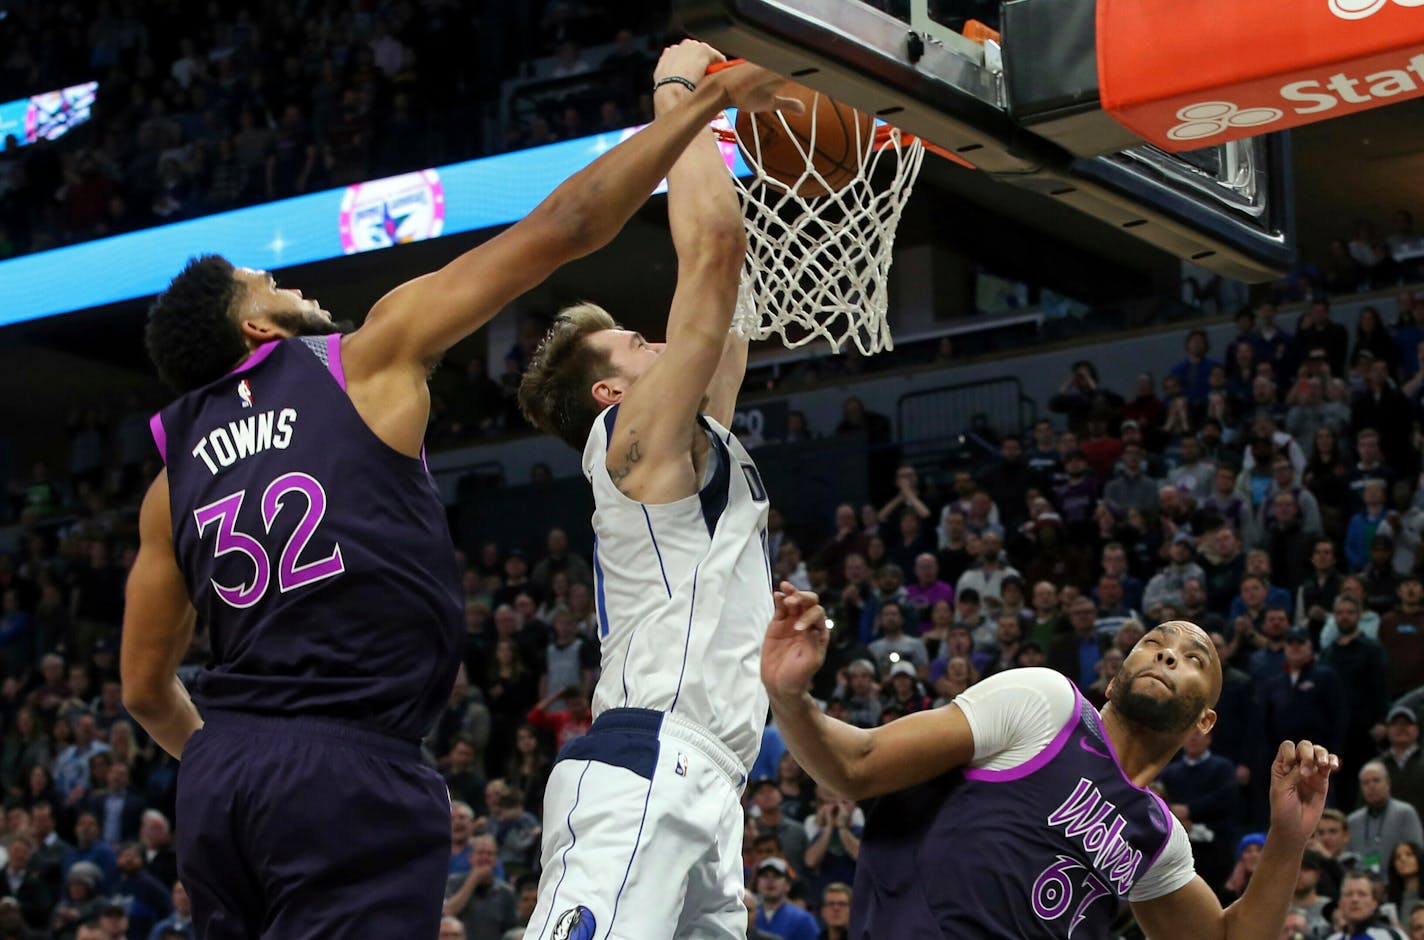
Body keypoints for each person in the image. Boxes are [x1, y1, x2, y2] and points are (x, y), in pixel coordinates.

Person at [120, 40, 796, 939]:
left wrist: (232, 757)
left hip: (221, 778)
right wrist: (685, 109)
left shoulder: (171, 480)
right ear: (255, 327)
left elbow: (142, 690)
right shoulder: (364, 358)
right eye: (273, 285)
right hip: (351, 763)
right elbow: (566, 228)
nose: (296, 289)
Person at [511, 44, 802, 940]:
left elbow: (729, 305)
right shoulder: (629, 444)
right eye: (637, 344)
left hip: (710, 789)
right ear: (609, 396)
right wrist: (685, 98)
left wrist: (742, 142)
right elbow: (713, 254)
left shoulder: (688, 438)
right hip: (647, 765)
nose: (658, 344)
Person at [761, 583, 1340, 939]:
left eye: (1195, 658)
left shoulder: (1160, 837)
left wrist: (1288, 838)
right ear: (1114, 680)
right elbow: (856, 763)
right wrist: (790, 698)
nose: (1168, 652)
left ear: (1203, 724)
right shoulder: (1047, 703)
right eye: (1156, 641)